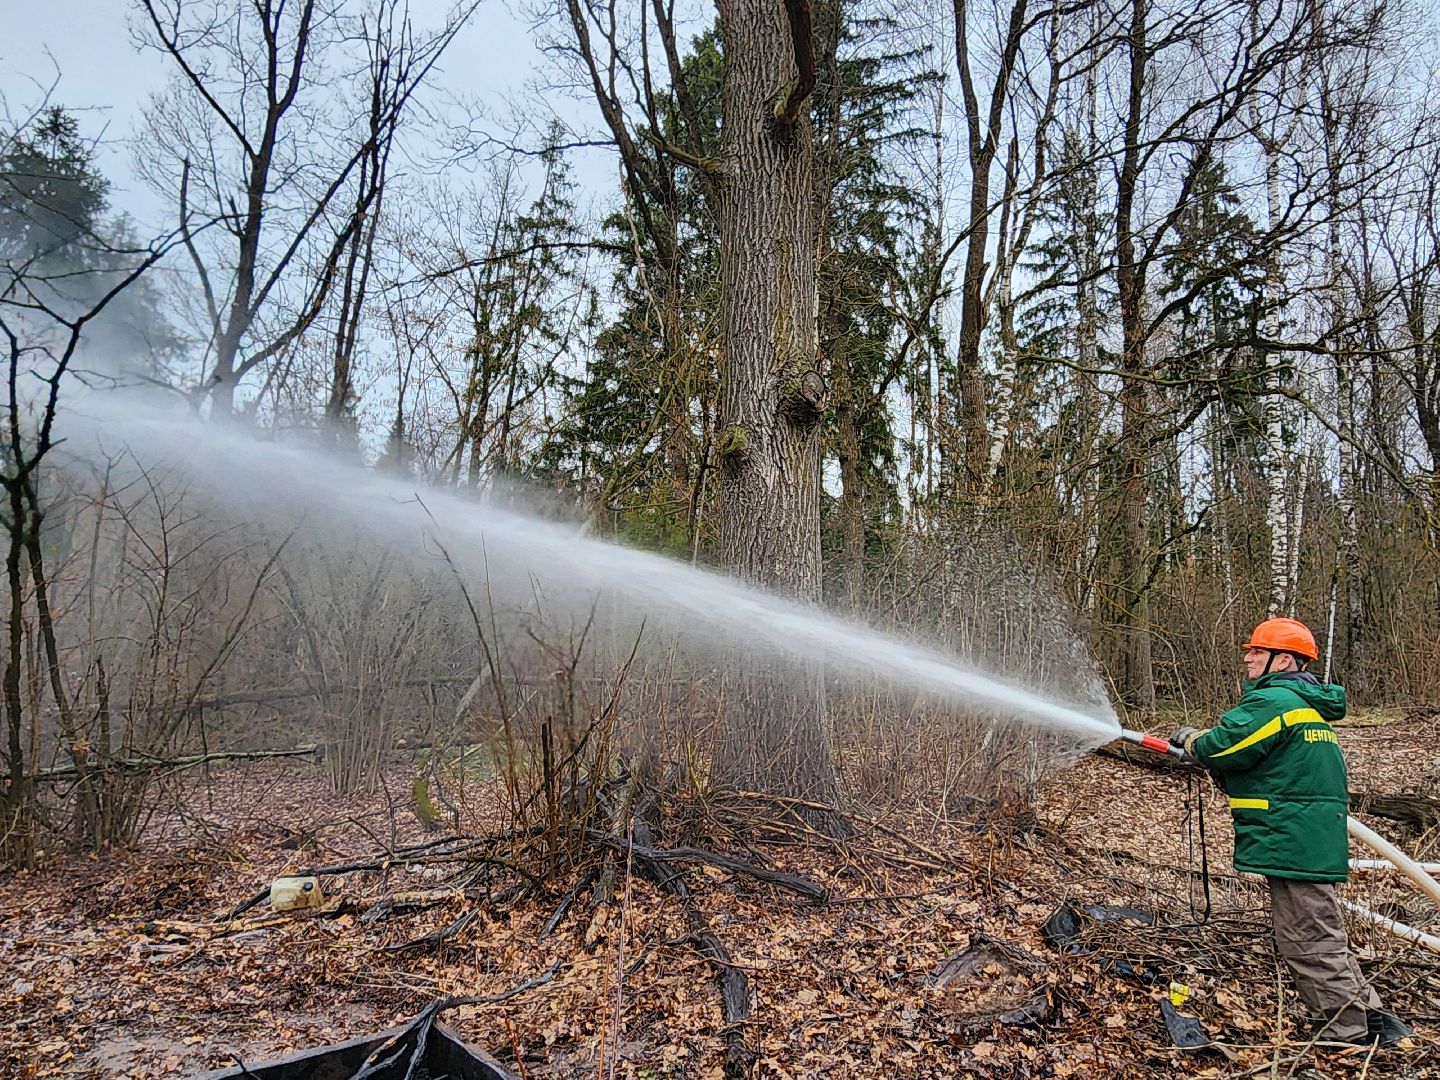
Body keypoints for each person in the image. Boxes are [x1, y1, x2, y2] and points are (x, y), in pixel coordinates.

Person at [1171, 617, 1409, 1046]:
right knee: (1321, 930)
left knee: (1307, 938)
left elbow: (1225, 746)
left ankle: (1346, 1033)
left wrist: (1191, 740)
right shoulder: (1307, 706)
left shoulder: (1276, 701)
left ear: (1282, 661)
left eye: (1256, 652)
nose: (1247, 657)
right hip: (1305, 836)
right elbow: (1262, 765)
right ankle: (1373, 1020)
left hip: (1294, 838)